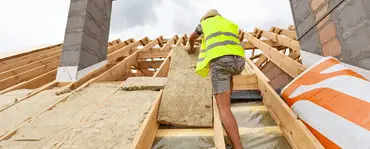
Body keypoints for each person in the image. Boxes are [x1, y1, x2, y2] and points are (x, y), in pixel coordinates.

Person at [187, 9, 245, 149]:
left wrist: (190, 46)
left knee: (223, 109)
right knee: (229, 75)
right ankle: (227, 98)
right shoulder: (228, 23)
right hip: (239, 62)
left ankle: (238, 147)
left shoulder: (205, 23)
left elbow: (192, 37)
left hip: (221, 62)